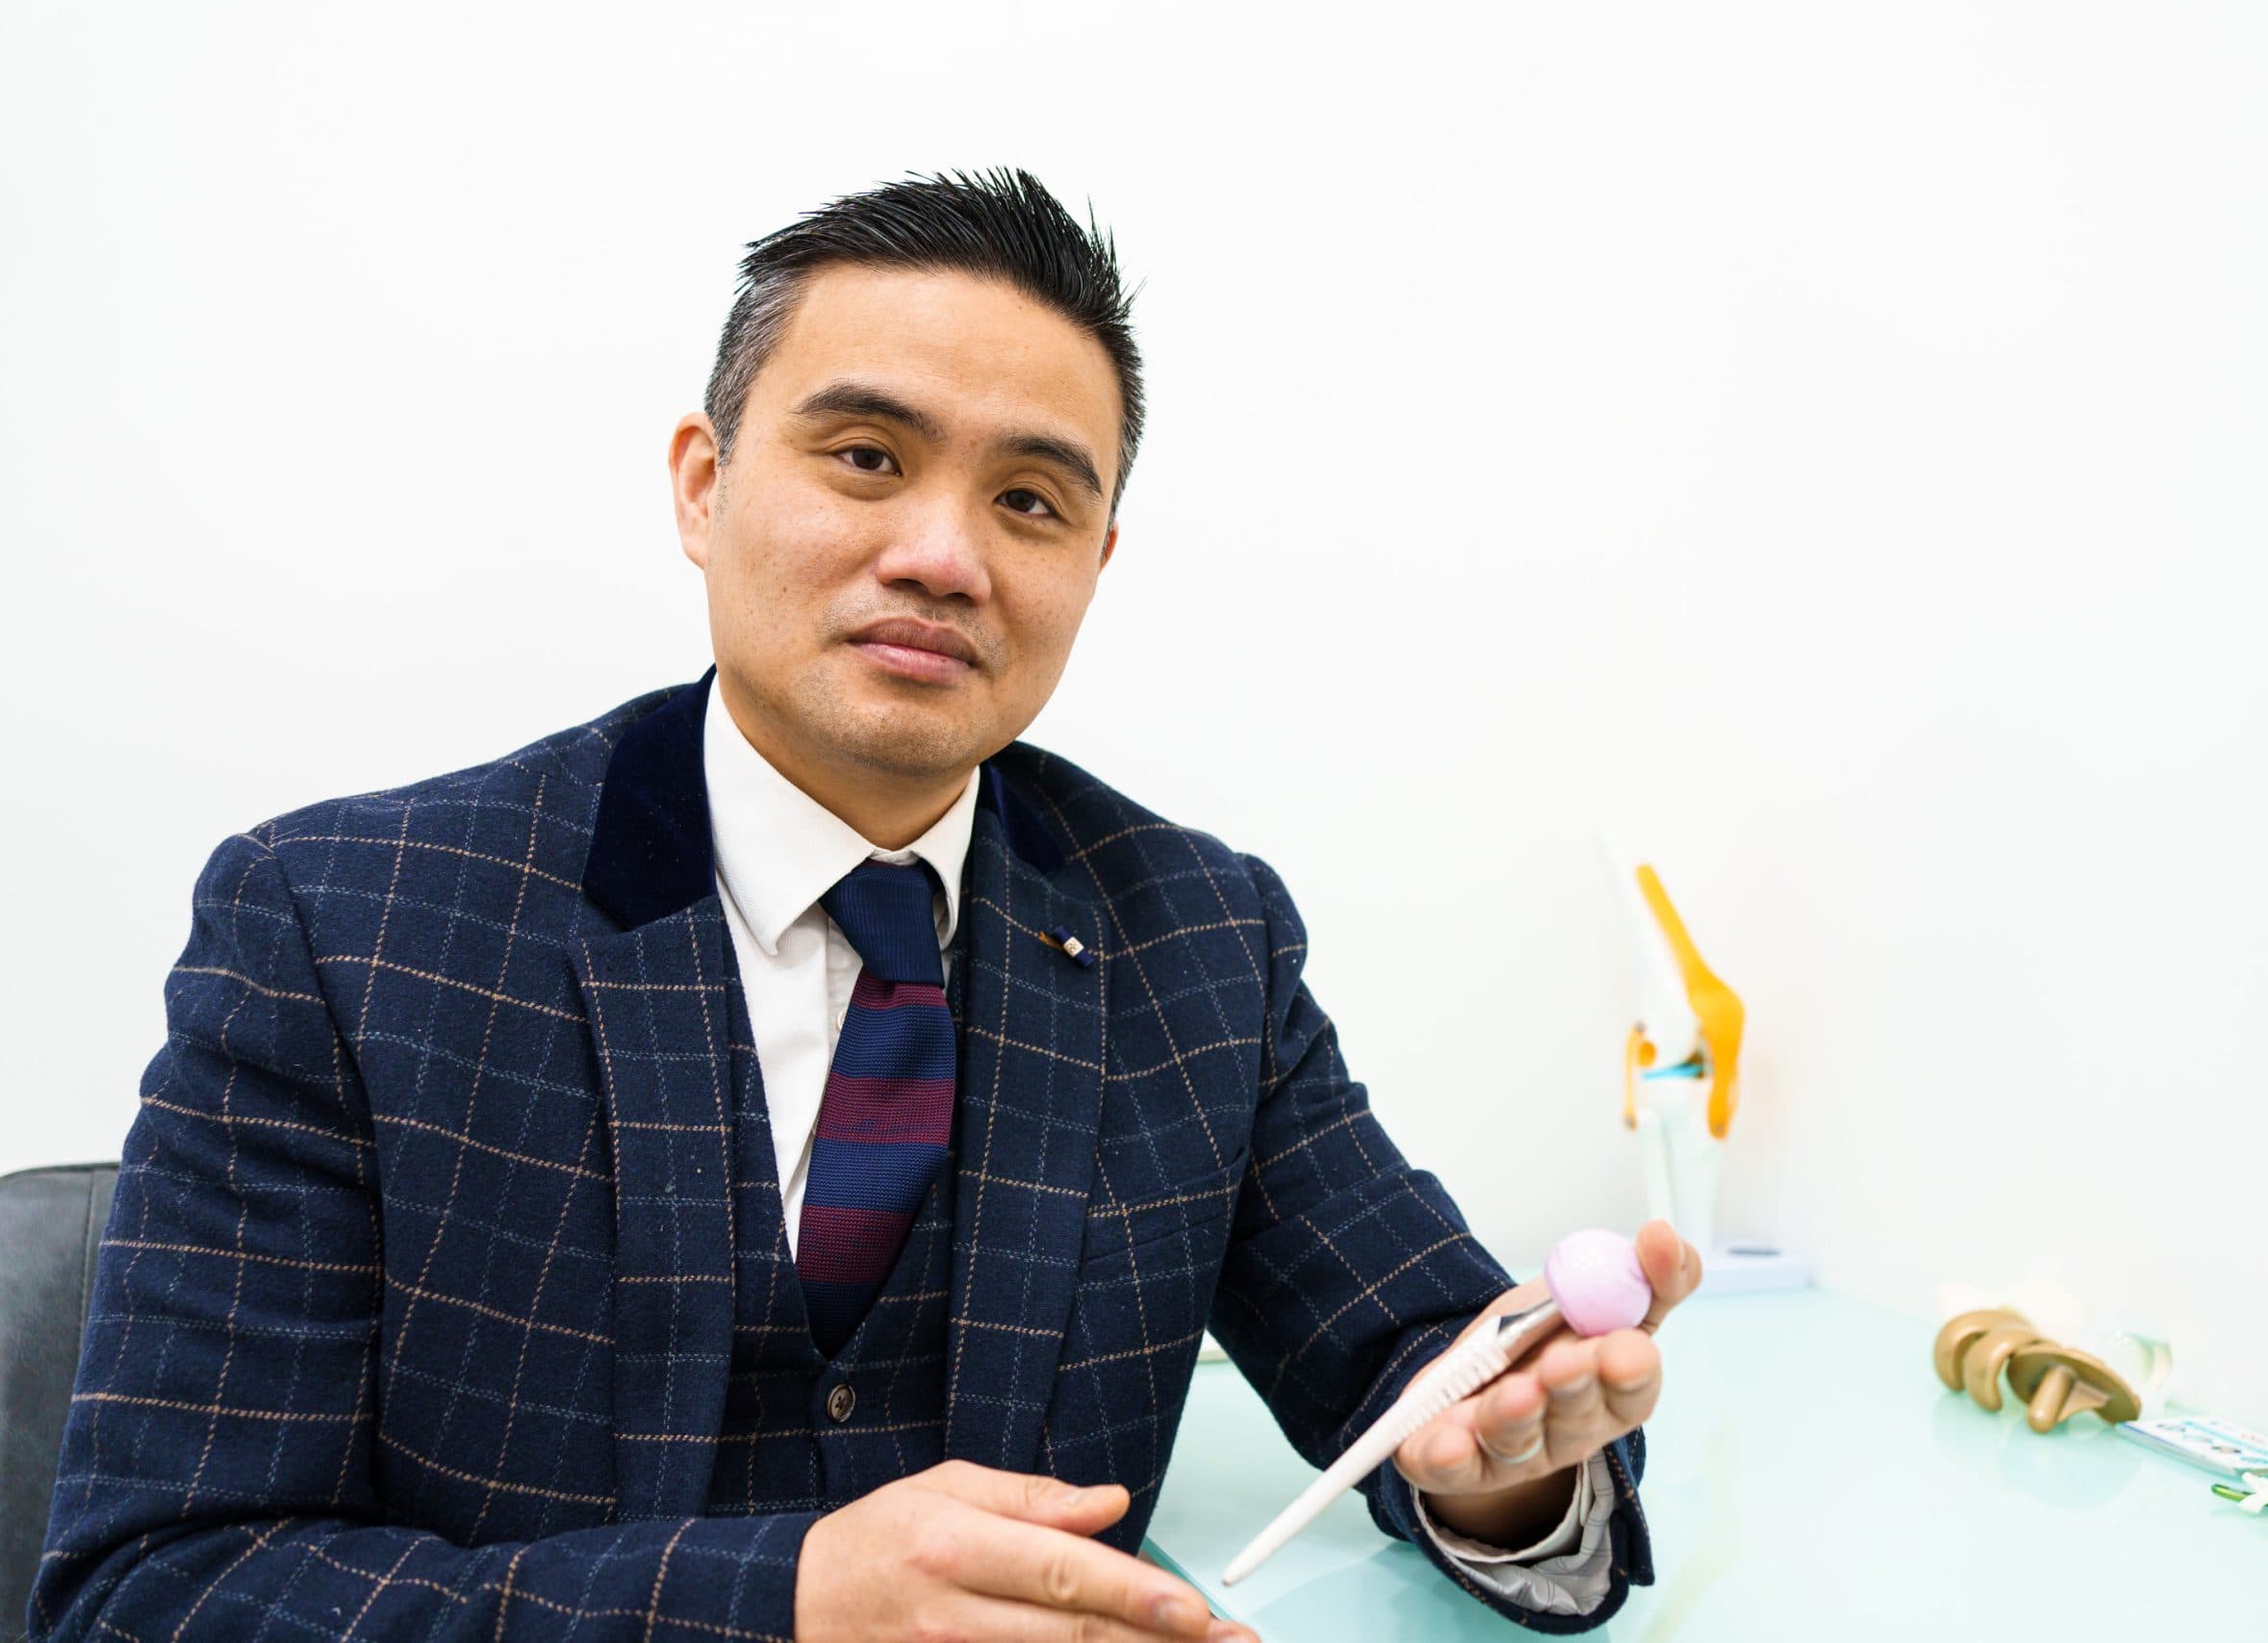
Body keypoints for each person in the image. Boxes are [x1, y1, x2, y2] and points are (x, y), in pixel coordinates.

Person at [34, 168, 1700, 1643]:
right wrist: (779, 1607)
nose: (942, 554)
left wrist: (1503, 1475)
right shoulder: (341, 927)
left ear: (1096, 563)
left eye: (1030, 500)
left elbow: (1428, 1359)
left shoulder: (1198, 938)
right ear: (702, 484)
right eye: (864, 456)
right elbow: (157, 1588)